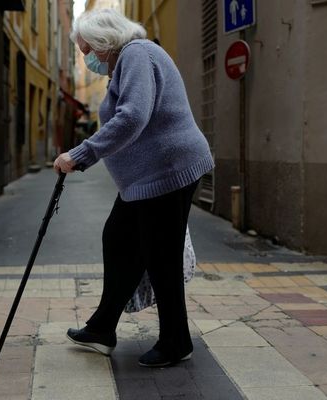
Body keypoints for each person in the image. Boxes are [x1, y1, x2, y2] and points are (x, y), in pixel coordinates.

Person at [54, 8, 214, 368]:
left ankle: (176, 341)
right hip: (146, 179)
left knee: (161, 256)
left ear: (103, 41)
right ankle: (101, 328)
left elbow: (133, 115)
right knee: (120, 239)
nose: (86, 58)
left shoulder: (137, 54)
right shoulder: (127, 62)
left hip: (169, 171)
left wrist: (81, 154)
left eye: (86, 50)